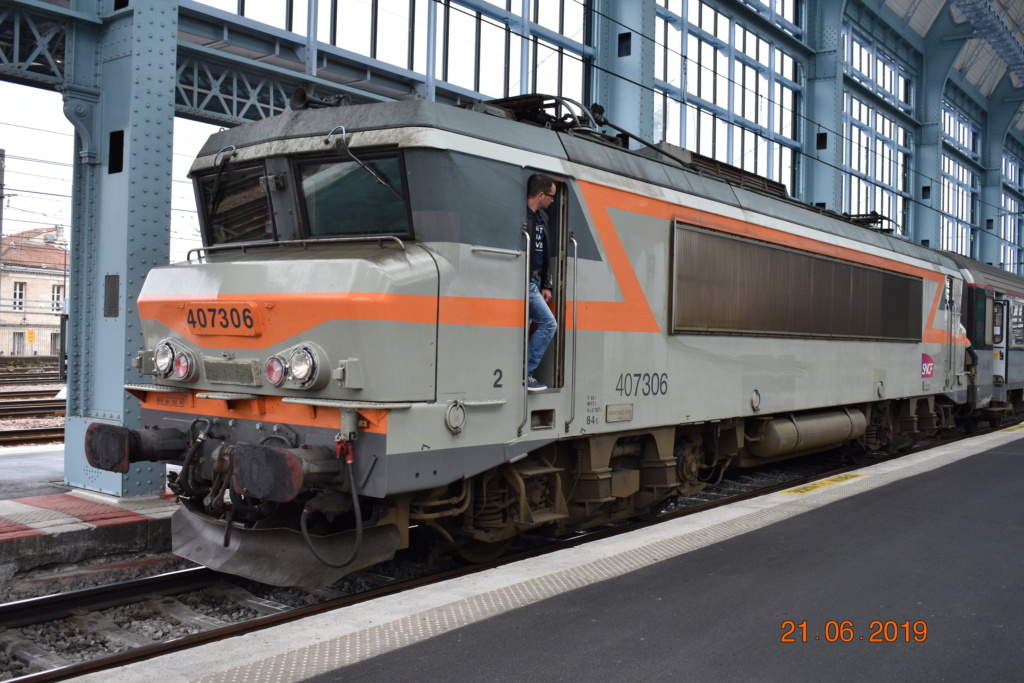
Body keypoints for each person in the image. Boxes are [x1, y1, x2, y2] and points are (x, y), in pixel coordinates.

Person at [524, 174, 558, 392]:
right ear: (541, 194)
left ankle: (523, 372)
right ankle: (525, 374)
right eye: (551, 196)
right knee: (548, 324)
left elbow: (545, 252)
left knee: (527, 326)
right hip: (524, 279)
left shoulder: (541, 218)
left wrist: (546, 284)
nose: (553, 201)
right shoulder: (523, 216)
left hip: (535, 280)